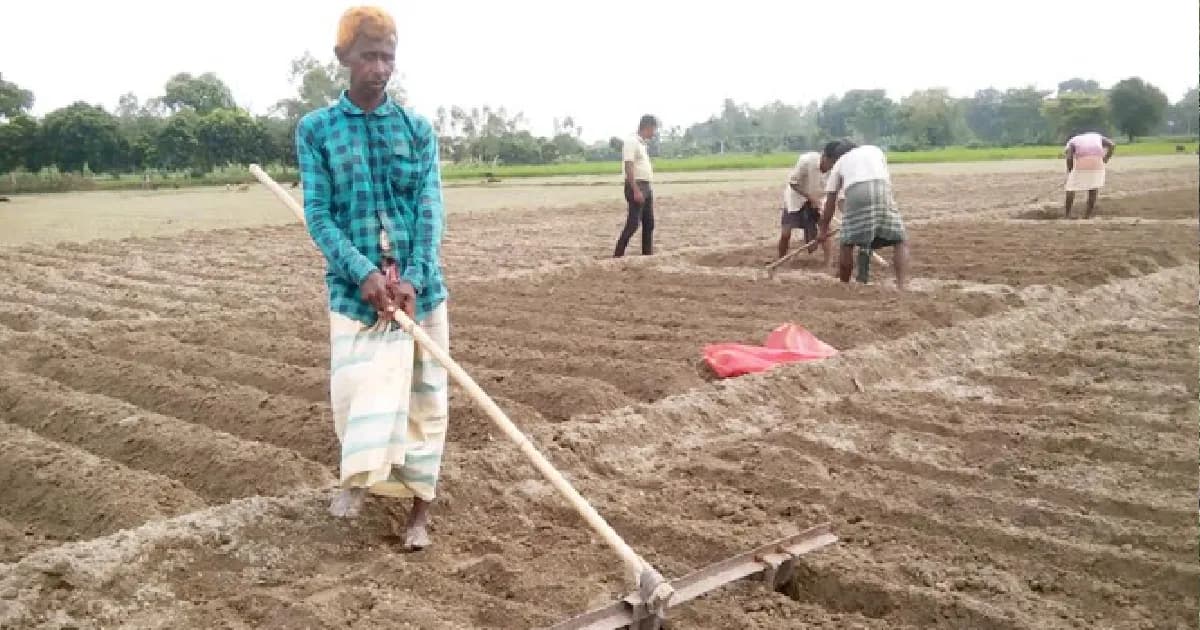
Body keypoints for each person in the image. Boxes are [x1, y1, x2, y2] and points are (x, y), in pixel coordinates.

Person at [295, 5, 449, 551]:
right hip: (353, 292)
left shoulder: (416, 129)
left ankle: (419, 515)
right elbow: (318, 214)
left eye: (388, 57)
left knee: (426, 400)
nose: (380, 69)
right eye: (369, 57)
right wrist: (361, 272)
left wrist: (414, 277)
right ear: (344, 59)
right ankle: (357, 480)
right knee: (357, 395)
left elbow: (430, 207)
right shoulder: (316, 130)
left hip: (419, 290)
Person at [817, 140, 910, 289]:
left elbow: (830, 203)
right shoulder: (875, 149)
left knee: (847, 242)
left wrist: (823, 230)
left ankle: (845, 284)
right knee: (900, 240)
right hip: (882, 190)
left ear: (838, 156)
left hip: (857, 192)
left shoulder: (840, 162)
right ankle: (901, 285)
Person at [614, 115, 658, 257]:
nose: (654, 133)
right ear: (648, 127)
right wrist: (635, 190)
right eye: (654, 130)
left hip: (646, 186)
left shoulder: (641, 144)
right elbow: (629, 165)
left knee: (649, 223)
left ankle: (647, 254)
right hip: (637, 186)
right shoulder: (631, 141)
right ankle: (618, 254)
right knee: (633, 223)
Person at [778, 150, 831, 265]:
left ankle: (828, 262)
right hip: (796, 199)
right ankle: (781, 259)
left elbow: (831, 191)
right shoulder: (806, 161)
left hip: (818, 200)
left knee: (825, 228)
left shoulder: (835, 169)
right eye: (831, 163)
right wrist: (809, 196)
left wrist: (821, 204)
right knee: (786, 233)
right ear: (825, 157)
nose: (831, 167)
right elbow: (793, 182)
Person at [1063, 131, 1115, 218]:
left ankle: (1067, 214)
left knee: (1070, 188)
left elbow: (1069, 157)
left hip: (1082, 163)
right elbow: (1112, 145)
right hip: (1098, 163)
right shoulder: (1096, 135)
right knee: (1093, 188)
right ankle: (1087, 215)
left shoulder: (1072, 142)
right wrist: (1106, 158)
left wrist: (1070, 172)